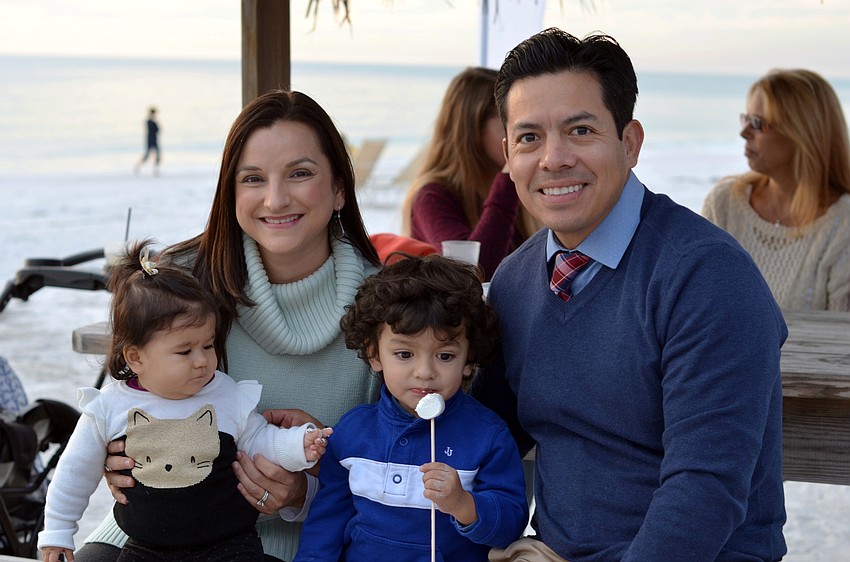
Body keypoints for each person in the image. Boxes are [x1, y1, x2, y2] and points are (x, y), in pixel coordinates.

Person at [469, 28, 787, 562]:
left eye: (581, 130)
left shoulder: (708, 276)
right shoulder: (516, 279)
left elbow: (705, 489)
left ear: (630, 142)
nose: (553, 158)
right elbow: (483, 435)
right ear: (507, 155)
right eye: (529, 138)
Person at [77, 90, 383, 562]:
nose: (276, 198)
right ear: (230, 192)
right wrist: (107, 456)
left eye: (300, 173)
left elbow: (410, 470)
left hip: (302, 546)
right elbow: (123, 395)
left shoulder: (383, 307)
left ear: (340, 188)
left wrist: (305, 494)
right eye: (253, 178)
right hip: (147, 541)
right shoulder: (180, 280)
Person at [38, 241, 332, 562]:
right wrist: (57, 531)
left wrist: (298, 446)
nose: (202, 361)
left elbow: (260, 441)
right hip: (145, 547)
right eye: (184, 351)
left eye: (208, 345)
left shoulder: (225, 394)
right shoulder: (109, 407)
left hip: (228, 543)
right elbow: (75, 472)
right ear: (136, 357)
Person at [294, 254, 528, 561]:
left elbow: (511, 524)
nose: (425, 372)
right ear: (374, 355)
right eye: (405, 354)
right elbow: (327, 521)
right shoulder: (352, 432)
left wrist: (463, 505)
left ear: (469, 360)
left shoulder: (488, 435)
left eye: (445, 356)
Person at [702, 69, 850, 311]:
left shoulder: (843, 226)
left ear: (802, 133)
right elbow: (698, 305)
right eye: (746, 119)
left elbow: (840, 330)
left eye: (758, 123)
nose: (744, 133)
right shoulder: (724, 204)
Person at [400, 67, 539, 281]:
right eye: (509, 125)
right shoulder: (432, 197)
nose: (520, 136)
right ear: (474, 129)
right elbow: (473, 274)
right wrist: (507, 180)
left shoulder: (521, 185)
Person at [134, 106, 160, 175]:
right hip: (150, 140)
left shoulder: (152, 121)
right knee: (147, 156)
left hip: (154, 140)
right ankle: (138, 166)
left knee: (157, 155)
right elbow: (155, 130)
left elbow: (157, 130)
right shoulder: (149, 121)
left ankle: (156, 170)